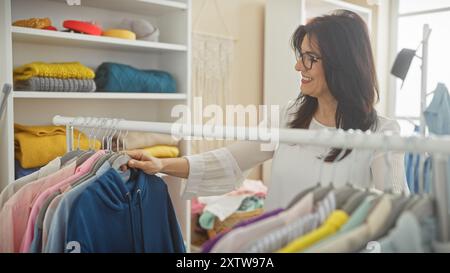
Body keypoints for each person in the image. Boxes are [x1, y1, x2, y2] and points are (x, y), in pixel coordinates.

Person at [126, 10, 408, 210]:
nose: (299, 66)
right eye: (300, 56)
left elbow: (398, 211)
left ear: (342, 64)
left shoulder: (381, 133)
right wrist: (161, 164)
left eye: (310, 58)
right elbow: (229, 161)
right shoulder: (288, 118)